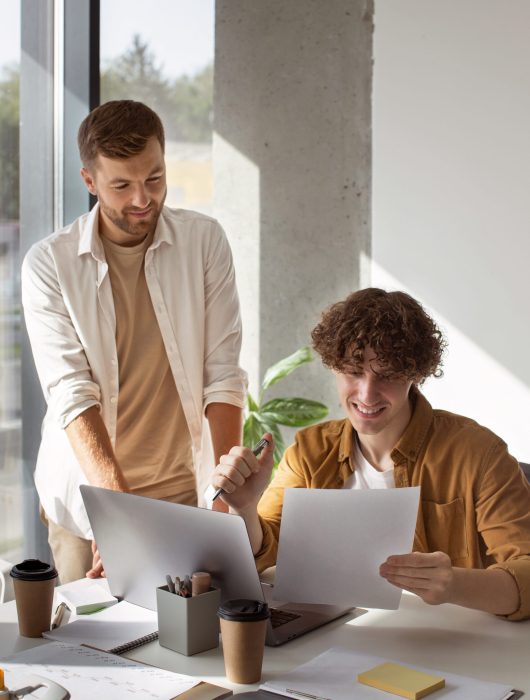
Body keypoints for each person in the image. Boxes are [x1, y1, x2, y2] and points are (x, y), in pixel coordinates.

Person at [22, 100, 246, 583]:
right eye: (122, 185)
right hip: (89, 505)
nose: (143, 199)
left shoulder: (204, 243)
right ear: (89, 181)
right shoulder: (50, 266)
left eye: (155, 179)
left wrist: (226, 494)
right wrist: (115, 517)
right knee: (91, 652)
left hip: (185, 497)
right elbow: (71, 393)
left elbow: (222, 374)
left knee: (190, 647)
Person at [212, 288, 530, 621]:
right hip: (339, 639)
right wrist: (245, 508)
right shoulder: (310, 452)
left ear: (415, 374)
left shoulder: (478, 454)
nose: (366, 393)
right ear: (334, 367)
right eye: (353, 371)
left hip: (452, 647)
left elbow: (526, 574)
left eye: (387, 375)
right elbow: (263, 555)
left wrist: (452, 584)